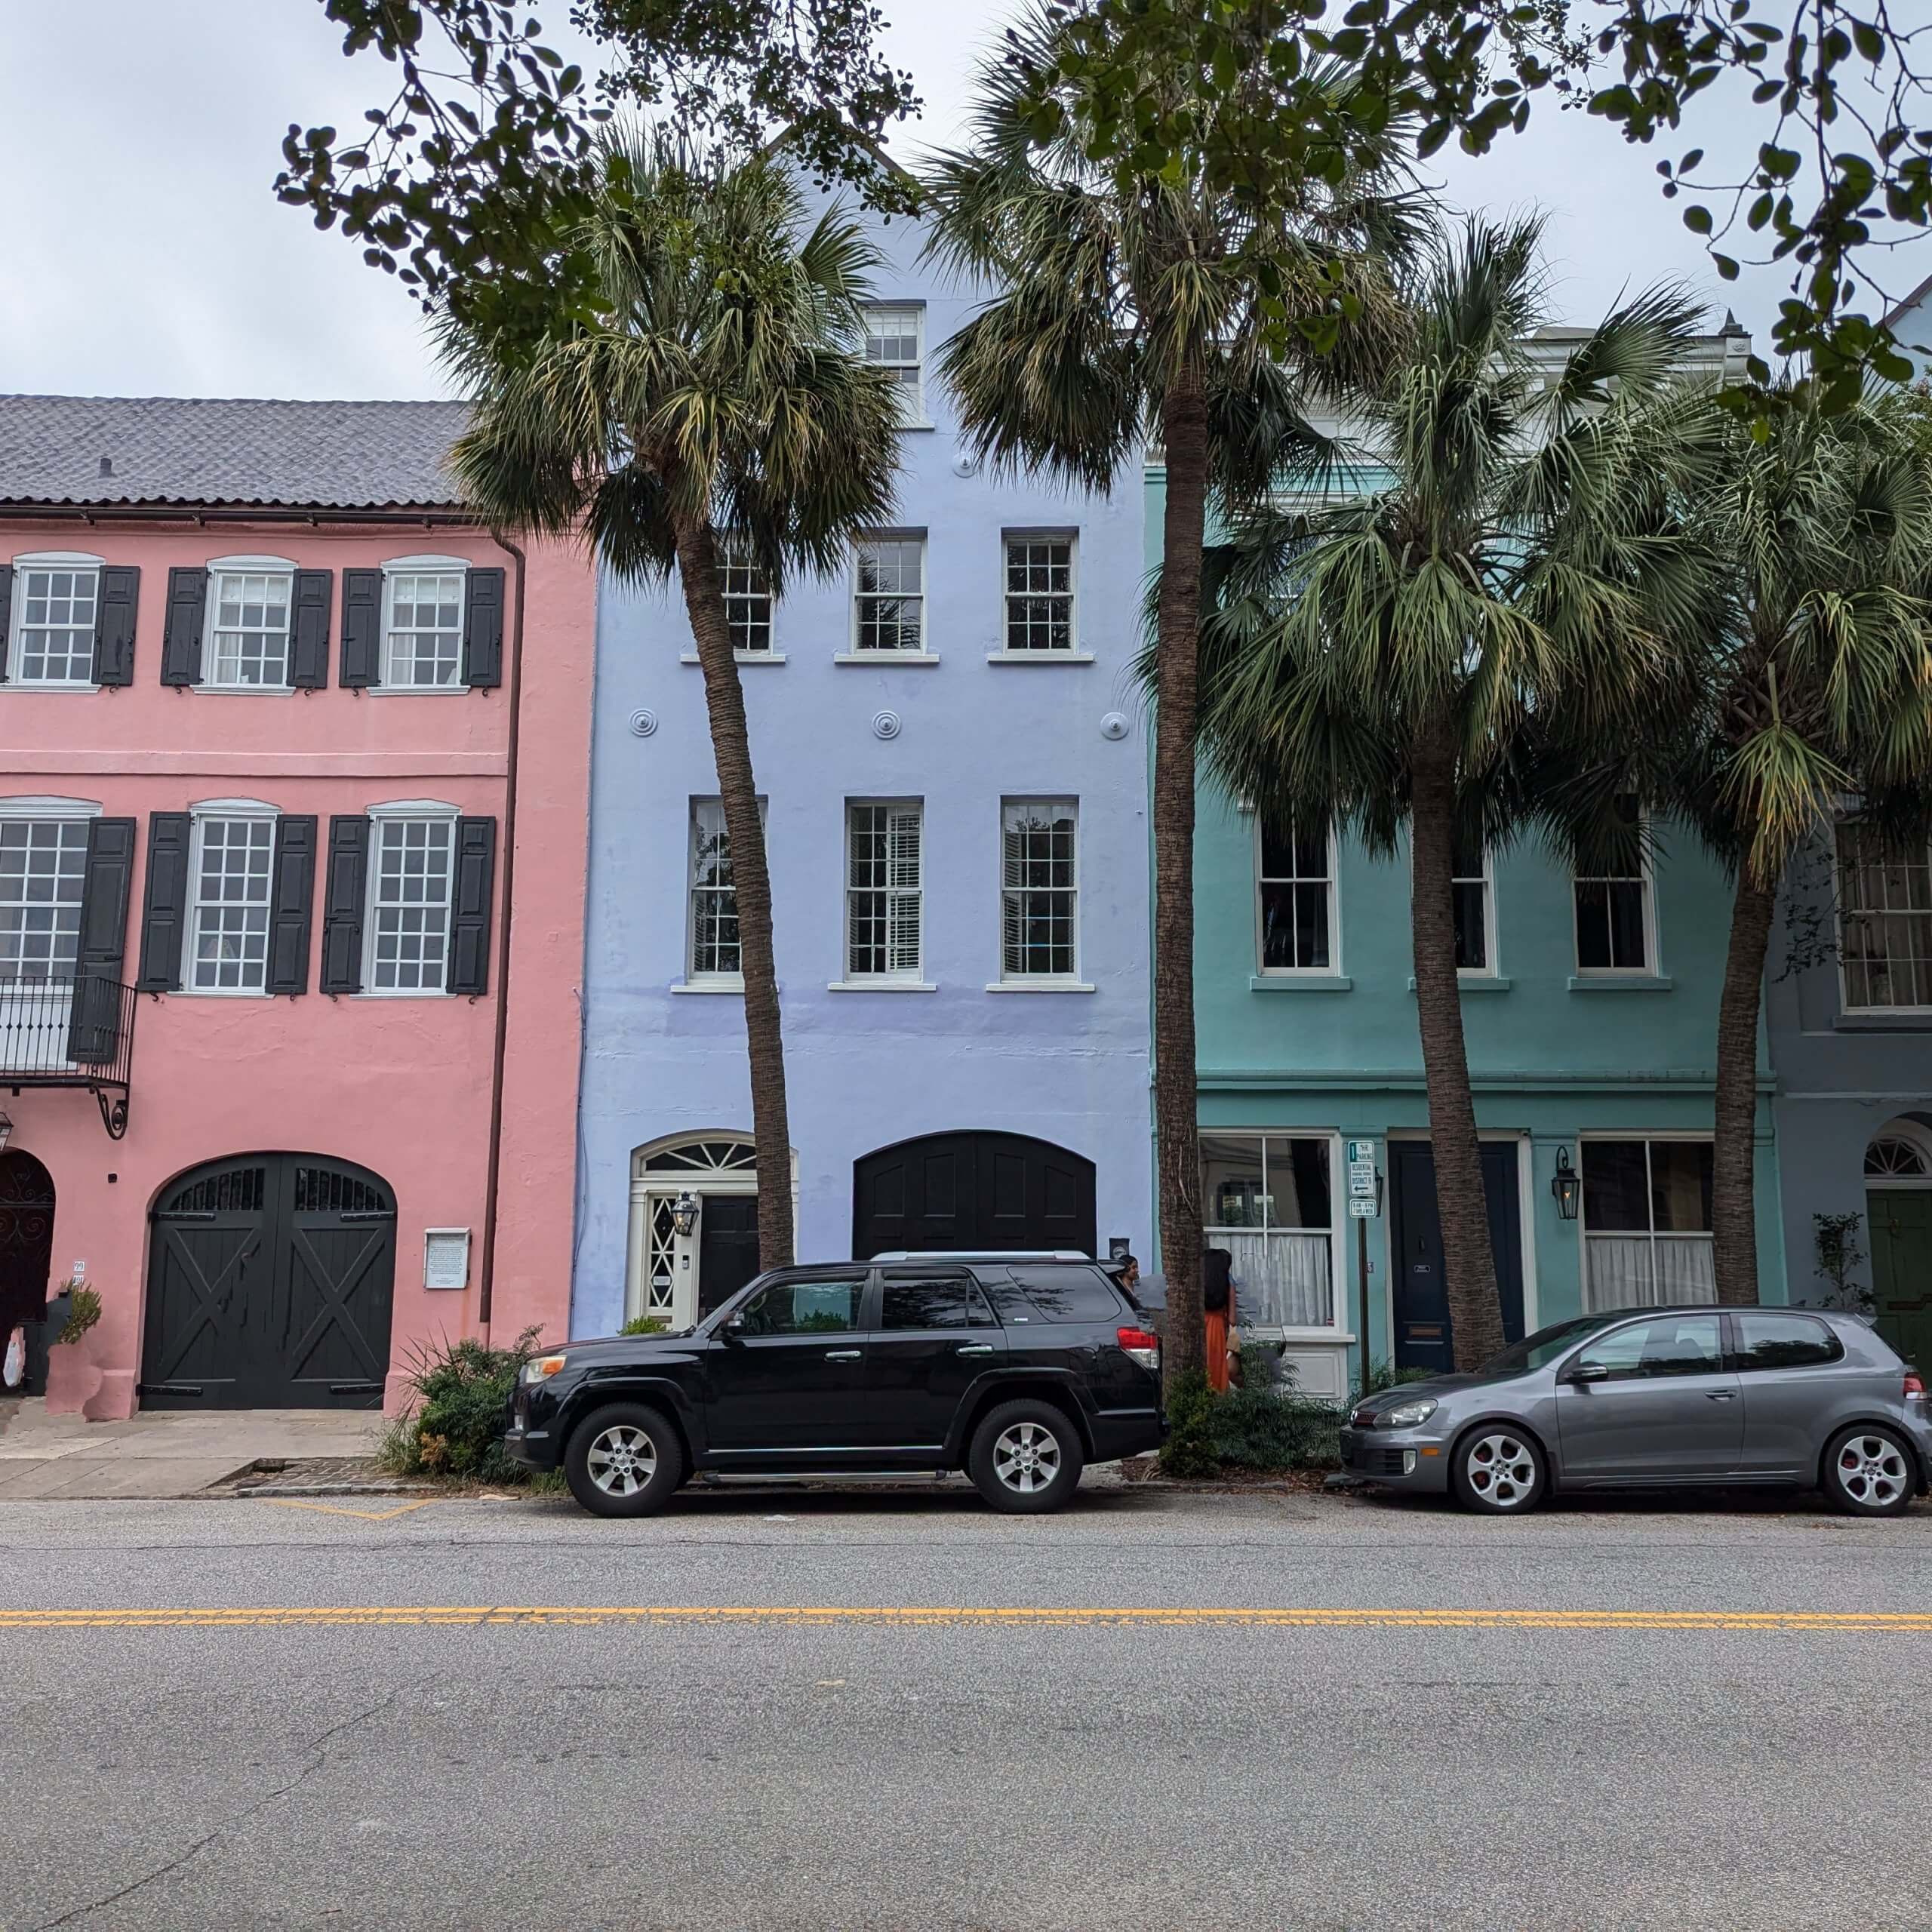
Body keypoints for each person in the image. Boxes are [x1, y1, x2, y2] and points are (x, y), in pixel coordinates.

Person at [1202, 1247, 1236, 1393]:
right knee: (1215, 1362)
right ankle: (1216, 1394)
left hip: (1198, 1323)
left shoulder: (1199, 1279)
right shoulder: (1228, 1280)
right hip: (1217, 1326)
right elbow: (1233, 1319)